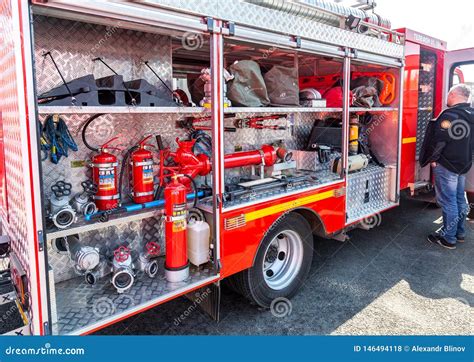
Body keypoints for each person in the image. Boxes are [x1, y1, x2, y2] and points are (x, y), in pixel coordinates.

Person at [419, 84, 474, 249]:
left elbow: (440, 141)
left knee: (448, 201)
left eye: (448, 94)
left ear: (453, 95)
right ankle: (459, 233)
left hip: (447, 165)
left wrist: (434, 159)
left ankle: (448, 238)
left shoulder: (449, 115)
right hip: (463, 165)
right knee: (459, 199)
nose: (447, 98)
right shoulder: (471, 114)